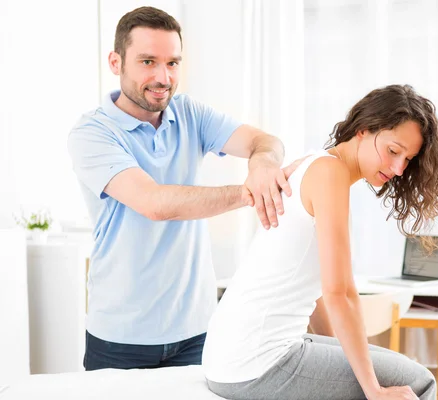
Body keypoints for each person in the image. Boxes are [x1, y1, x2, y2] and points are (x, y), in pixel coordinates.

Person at [67, 6, 298, 371]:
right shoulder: (93, 133)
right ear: (116, 62)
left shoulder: (189, 113)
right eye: (147, 61)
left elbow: (265, 141)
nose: (163, 77)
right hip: (121, 338)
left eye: (173, 63)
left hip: (198, 331)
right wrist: (248, 192)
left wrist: (264, 165)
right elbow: (155, 203)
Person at [202, 84, 438, 400]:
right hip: (255, 362)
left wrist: (346, 362)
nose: (398, 168)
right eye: (393, 151)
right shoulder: (330, 174)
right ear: (363, 129)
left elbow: (317, 292)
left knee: (370, 369)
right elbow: (340, 293)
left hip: (228, 356)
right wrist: (373, 390)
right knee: (417, 381)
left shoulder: (314, 163)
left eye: (408, 159)